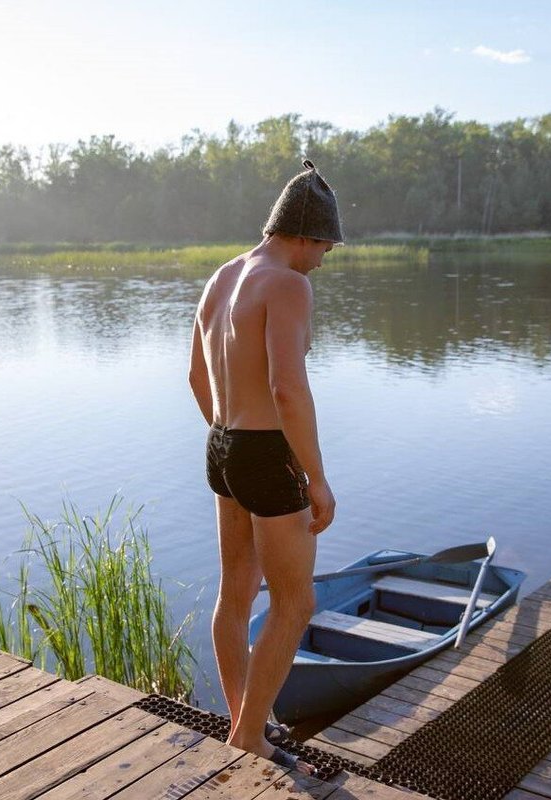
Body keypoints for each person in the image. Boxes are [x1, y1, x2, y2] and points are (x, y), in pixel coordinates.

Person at [188, 159, 342, 775]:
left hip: (221, 444)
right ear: (305, 234)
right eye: (326, 246)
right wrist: (315, 477)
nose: (324, 259)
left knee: (236, 591)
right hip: (264, 452)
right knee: (295, 601)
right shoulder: (287, 285)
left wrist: (230, 440)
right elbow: (287, 389)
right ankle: (249, 737)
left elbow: (196, 377)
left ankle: (243, 723)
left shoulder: (222, 277)